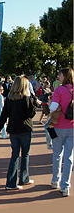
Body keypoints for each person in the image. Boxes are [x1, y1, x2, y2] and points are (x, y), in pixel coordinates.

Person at [0, 76, 38, 190]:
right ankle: (24, 178)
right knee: (25, 154)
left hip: (13, 130)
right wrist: (33, 101)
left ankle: (11, 183)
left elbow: (4, 116)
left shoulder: (9, 99)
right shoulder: (26, 98)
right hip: (25, 129)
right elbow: (31, 114)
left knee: (14, 155)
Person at [49, 68, 74, 197]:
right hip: (72, 128)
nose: (58, 76)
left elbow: (52, 108)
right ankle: (66, 187)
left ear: (65, 76)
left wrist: (50, 105)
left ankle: (55, 180)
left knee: (57, 154)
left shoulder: (59, 90)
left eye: (59, 74)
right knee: (69, 157)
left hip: (58, 126)